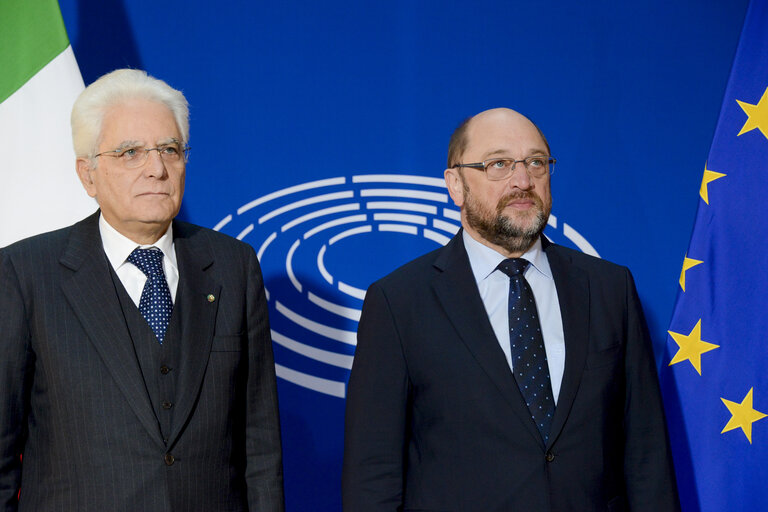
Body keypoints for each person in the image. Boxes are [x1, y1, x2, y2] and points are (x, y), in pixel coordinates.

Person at [342, 108, 680, 511]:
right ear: (456, 184)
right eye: (499, 164)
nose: (523, 181)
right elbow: (372, 474)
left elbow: (646, 455)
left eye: (536, 162)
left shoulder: (609, 288)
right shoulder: (399, 302)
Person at [0, 69, 284, 511]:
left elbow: (260, 444)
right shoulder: (25, 272)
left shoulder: (233, 265)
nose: (156, 169)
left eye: (169, 149)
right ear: (88, 175)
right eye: (130, 152)